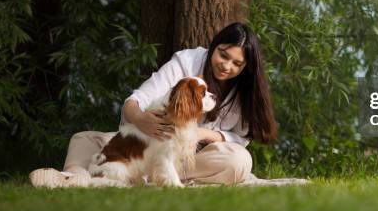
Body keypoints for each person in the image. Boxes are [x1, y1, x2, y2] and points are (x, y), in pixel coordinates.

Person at [30, 22, 278, 187]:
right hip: (147, 146)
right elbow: (136, 100)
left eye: (237, 63)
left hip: (196, 156)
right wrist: (139, 119)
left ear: (246, 67)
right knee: (83, 139)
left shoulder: (246, 88)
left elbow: (241, 138)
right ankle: (75, 177)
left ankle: (149, 175)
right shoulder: (187, 62)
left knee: (239, 161)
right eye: (223, 55)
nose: (227, 66)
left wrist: (203, 134)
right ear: (214, 46)